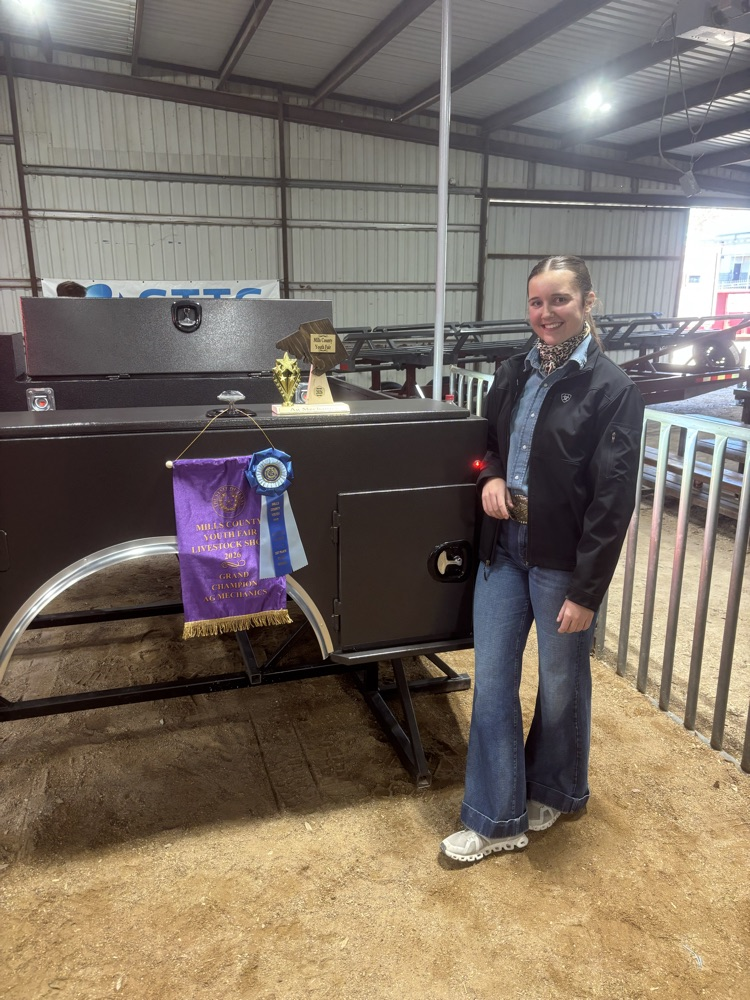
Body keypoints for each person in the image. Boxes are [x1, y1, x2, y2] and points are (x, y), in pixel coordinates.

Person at [441, 254, 645, 863]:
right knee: (493, 681)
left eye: (559, 300)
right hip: (504, 552)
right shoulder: (513, 372)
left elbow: (613, 500)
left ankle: (555, 787)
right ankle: (495, 818)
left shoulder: (612, 390)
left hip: (562, 562)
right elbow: (491, 444)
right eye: (536, 302)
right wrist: (493, 477)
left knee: (560, 685)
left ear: (586, 302)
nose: (546, 313)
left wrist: (586, 591)